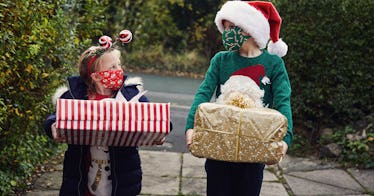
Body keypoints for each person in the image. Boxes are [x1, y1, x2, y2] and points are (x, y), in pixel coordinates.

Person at [185, 1, 293, 195]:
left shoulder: (273, 64)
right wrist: (191, 127)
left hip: (254, 150)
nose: (227, 33)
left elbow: (283, 101)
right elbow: (203, 93)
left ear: (251, 29)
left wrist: (285, 139)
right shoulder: (221, 60)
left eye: (233, 27)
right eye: (225, 28)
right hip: (219, 146)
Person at [44, 31, 164, 196]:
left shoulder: (130, 94)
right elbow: (55, 116)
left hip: (122, 177)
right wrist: (53, 124)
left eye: (119, 65)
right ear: (96, 76)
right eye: (112, 67)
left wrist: (161, 130)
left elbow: (153, 117)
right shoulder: (75, 95)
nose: (119, 70)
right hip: (81, 175)